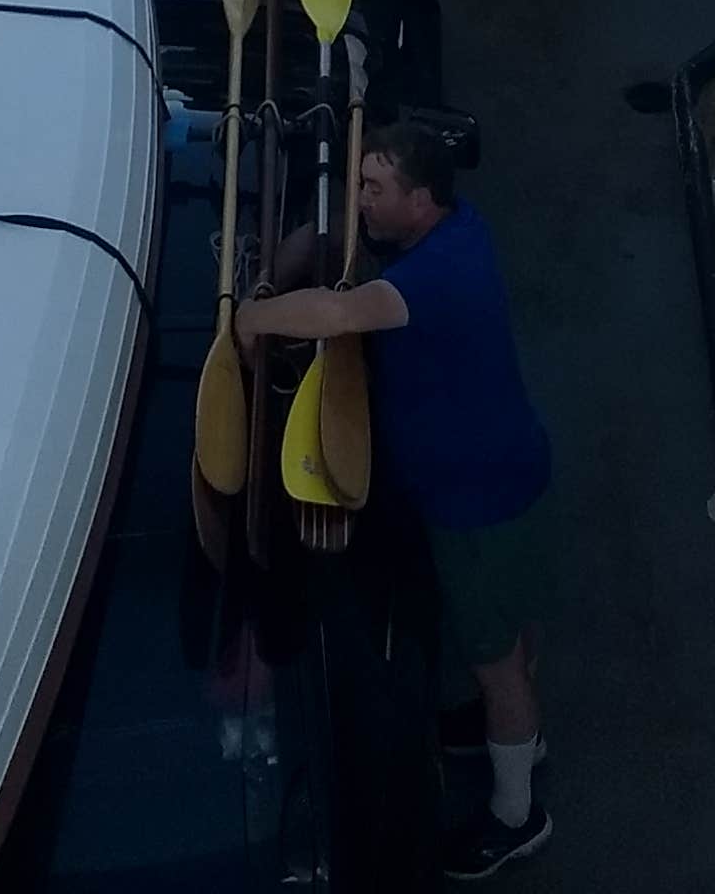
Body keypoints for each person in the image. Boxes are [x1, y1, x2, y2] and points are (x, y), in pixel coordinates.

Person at [238, 112, 555, 875]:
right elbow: (355, 264)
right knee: (503, 628)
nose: (361, 202)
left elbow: (344, 313)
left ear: (420, 201)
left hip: (477, 503)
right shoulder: (456, 228)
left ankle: (517, 812)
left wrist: (252, 316)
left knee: (493, 659)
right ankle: (516, 730)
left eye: (374, 188)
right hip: (503, 478)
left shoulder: (429, 278)